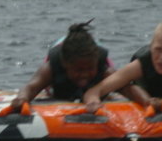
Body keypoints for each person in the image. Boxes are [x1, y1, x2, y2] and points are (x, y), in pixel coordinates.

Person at [11, 20, 144, 109]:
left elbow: (127, 88)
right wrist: (22, 99)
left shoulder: (104, 70)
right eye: (79, 70)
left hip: (92, 54)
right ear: (65, 65)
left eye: (89, 69)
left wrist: (147, 102)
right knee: (56, 92)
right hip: (63, 54)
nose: (84, 74)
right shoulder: (51, 68)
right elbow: (31, 87)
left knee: (110, 89)